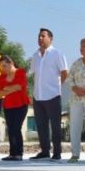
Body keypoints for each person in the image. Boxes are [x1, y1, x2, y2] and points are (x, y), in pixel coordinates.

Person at [30, 28, 68, 160]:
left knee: (55, 126)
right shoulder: (35, 55)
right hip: (37, 96)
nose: (40, 39)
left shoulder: (57, 53)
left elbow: (64, 73)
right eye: (39, 36)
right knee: (41, 126)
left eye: (43, 36)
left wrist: (56, 87)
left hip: (53, 95)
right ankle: (44, 151)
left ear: (50, 38)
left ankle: (57, 152)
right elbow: (32, 73)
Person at [0, 55, 30, 161]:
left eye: (4, 66)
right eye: (1, 66)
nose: (3, 68)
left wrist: (8, 88)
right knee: (10, 129)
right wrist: (13, 88)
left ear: (11, 63)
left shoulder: (21, 72)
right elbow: (0, 92)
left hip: (21, 104)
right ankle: (12, 154)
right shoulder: (2, 77)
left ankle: (19, 154)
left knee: (16, 128)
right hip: (8, 105)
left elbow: (20, 86)